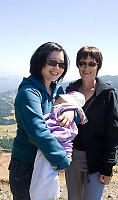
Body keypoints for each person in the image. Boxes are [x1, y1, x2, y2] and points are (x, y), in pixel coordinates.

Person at [8, 42, 75, 200]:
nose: (57, 68)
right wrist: (61, 159)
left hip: (45, 162)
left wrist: (71, 111)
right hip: (27, 165)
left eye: (61, 64)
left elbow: (75, 113)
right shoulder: (29, 93)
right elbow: (38, 132)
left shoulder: (56, 90)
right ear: (40, 62)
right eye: (52, 62)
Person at [65, 46, 118, 200]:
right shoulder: (71, 90)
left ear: (98, 66)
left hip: (97, 159)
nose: (86, 67)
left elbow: (114, 131)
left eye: (92, 64)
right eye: (82, 63)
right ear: (78, 65)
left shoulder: (107, 94)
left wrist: (108, 167)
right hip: (73, 157)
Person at [30, 91, 88, 200]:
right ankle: (48, 195)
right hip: (53, 148)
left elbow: (66, 139)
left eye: (60, 100)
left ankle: (41, 195)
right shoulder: (65, 114)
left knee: (44, 173)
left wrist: (67, 157)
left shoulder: (61, 114)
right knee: (49, 174)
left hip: (51, 147)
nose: (55, 101)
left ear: (67, 104)